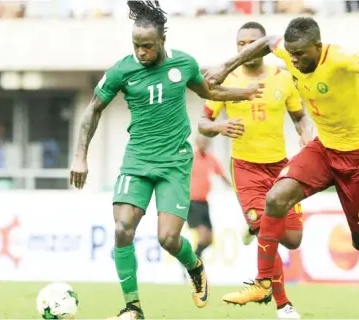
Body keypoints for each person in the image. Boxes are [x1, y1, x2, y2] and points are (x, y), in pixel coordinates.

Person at [205, 16, 359, 305]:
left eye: (300, 55)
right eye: (290, 54)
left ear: (317, 47)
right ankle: (264, 282)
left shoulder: (338, 58)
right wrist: (224, 66)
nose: (293, 59)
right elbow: (267, 42)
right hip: (324, 149)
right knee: (276, 198)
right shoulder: (289, 51)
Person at [69, 1, 262, 319]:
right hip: (137, 161)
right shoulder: (121, 70)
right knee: (121, 229)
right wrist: (80, 156)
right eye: (136, 46)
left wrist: (243, 93)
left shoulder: (184, 64)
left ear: (162, 42)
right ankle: (132, 308)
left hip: (174, 162)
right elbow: (93, 108)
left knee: (168, 238)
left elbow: (208, 92)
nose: (141, 53)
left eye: (147, 46)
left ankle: (195, 266)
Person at [199, 21, 312, 319]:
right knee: (268, 233)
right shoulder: (225, 80)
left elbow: (300, 117)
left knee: (293, 238)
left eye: (252, 42)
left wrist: (306, 133)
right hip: (245, 168)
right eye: (241, 43)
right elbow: (203, 123)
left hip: (280, 167)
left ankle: (252, 226)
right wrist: (219, 126)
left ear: (264, 45)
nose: (246, 47)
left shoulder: (284, 79)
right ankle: (283, 305)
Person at [188, 135, 232, 259]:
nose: (203, 145)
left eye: (205, 142)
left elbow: (222, 175)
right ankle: (193, 263)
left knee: (209, 240)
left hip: (204, 203)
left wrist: (234, 187)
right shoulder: (190, 158)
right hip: (192, 202)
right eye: (201, 142)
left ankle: (192, 260)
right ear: (196, 143)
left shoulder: (210, 159)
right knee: (203, 235)